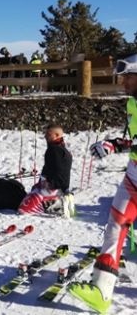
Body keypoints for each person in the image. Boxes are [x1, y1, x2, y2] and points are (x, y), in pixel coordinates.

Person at [68, 54, 137, 313]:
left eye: (128, 76)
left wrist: (119, 145)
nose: (122, 82)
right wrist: (115, 144)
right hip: (134, 175)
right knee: (114, 227)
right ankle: (101, 290)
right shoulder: (132, 104)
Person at [17, 124, 74, 217]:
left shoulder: (54, 150)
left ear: (56, 135)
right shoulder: (63, 150)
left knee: (23, 209)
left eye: (48, 134)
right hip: (61, 187)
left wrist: (49, 184)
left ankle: (58, 205)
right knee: (34, 190)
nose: (45, 136)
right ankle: (60, 201)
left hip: (53, 188)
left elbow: (58, 170)